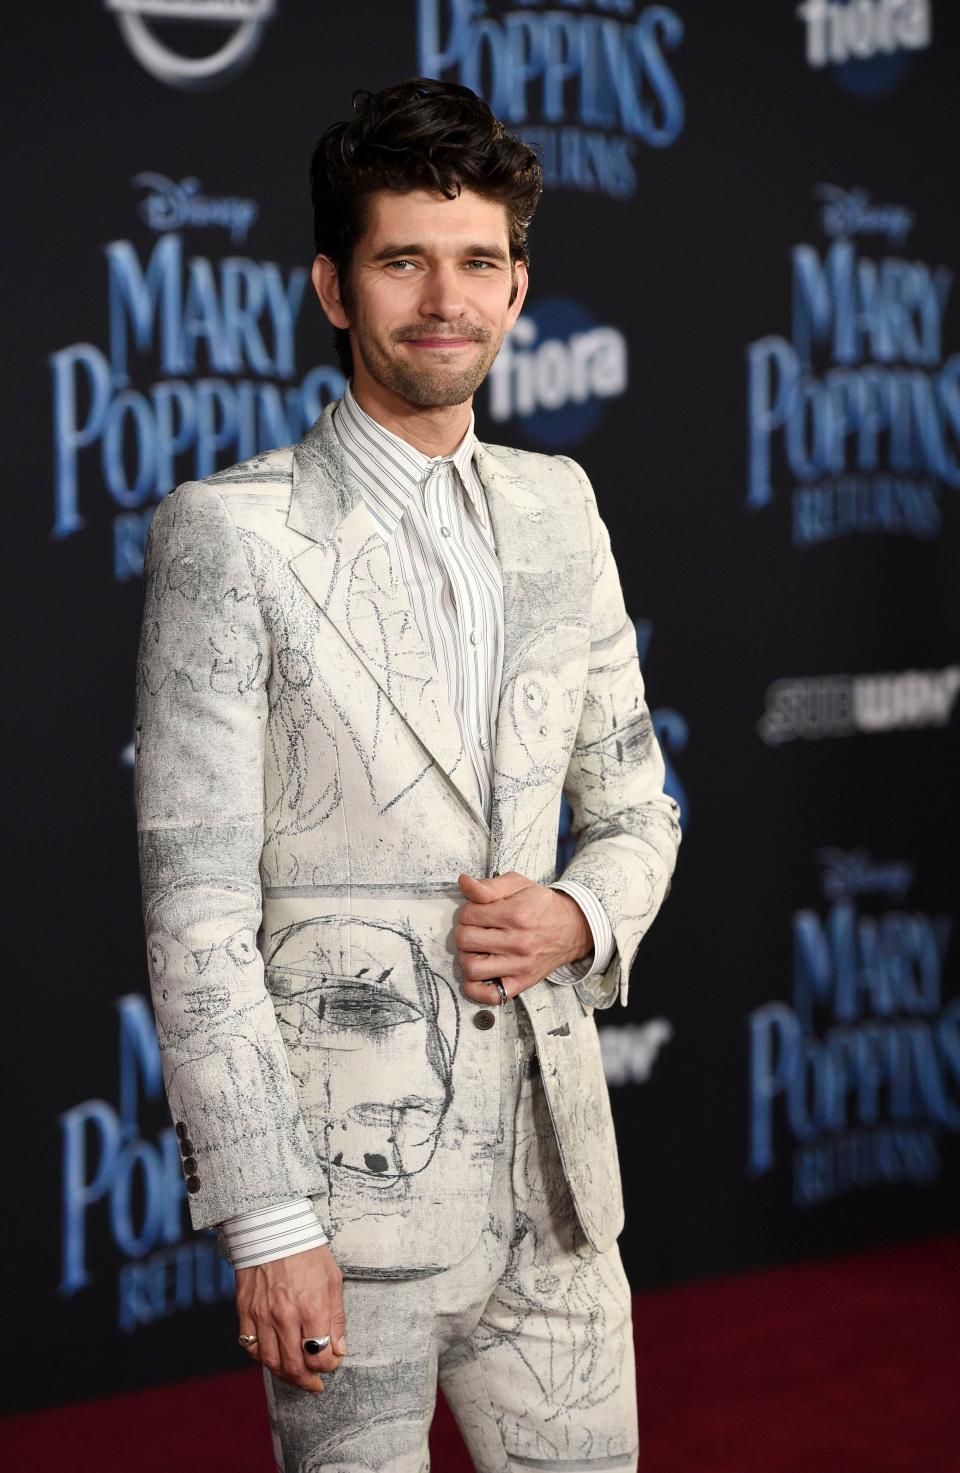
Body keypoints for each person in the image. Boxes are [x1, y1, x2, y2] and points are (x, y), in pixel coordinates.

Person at [134, 75, 681, 1473]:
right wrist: (268, 1221)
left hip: (561, 1195)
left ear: (517, 287)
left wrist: (581, 916)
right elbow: (197, 915)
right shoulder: (231, 535)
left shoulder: (563, 508)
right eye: (402, 260)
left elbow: (636, 804)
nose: (445, 297)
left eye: (477, 262)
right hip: (346, 1210)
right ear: (333, 284)